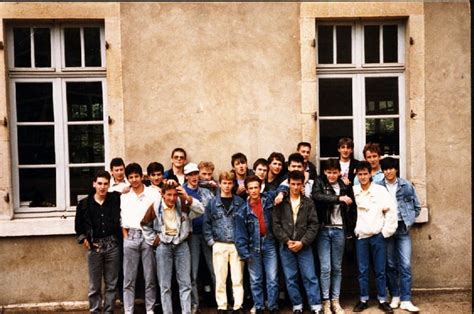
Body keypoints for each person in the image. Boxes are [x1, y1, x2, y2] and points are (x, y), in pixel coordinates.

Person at [141, 181, 204, 314]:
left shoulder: (183, 204)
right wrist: (155, 239)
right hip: (164, 247)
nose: (172, 198)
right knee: (165, 286)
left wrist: (187, 197)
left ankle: (186, 311)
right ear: (162, 194)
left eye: (175, 195)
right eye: (169, 195)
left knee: (185, 284)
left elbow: (201, 210)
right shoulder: (156, 206)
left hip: (181, 245)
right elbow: (145, 224)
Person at [234, 176, 287, 314]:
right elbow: (240, 235)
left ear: (260, 187)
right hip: (253, 247)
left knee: (272, 277)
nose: (254, 191)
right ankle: (259, 307)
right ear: (246, 190)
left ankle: (273, 306)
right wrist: (244, 253)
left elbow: (284, 186)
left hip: (269, 243)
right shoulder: (242, 211)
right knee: (256, 279)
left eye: (256, 187)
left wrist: (281, 194)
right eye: (250, 188)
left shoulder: (268, 199)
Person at [273, 170, 322, 314]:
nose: (295, 187)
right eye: (293, 184)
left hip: (304, 246)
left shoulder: (308, 202)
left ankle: (316, 306)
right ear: (288, 184)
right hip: (286, 246)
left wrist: (303, 242)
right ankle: (297, 305)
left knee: (310, 276)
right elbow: (276, 225)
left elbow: (314, 225)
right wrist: (287, 241)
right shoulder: (281, 202)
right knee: (290, 277)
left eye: (298, 184)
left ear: (302, 185)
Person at [352, 161, 398, 313]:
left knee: (380, 269)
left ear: (370, 174)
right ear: (357, 175)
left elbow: (391, 212)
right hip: (361, 237)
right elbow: (350, 213)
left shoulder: (380, 190)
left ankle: (382, 299)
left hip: (378, 236)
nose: (363, 177)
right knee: (362, 270)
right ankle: (363, 299)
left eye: (365, 173)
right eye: (360, 174)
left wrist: (385, 233)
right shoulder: (354, 190)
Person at [312, 159, 356, 314]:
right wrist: (339, 198)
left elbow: (352, 207)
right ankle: (325, 301)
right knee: (325, 268)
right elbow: (317, 197)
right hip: (323, 230)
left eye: (334, 172)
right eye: (329, 172)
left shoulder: (344, 185)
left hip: (339, 230)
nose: (331, 175)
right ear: (324, 172)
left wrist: (350, 229)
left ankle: (335, 301)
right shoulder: (319, 183)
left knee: (337, 268)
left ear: (339, 172)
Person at [75, 170, 121, 313]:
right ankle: (95, 310)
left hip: (112, 246)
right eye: (99, 183)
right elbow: (78, 227)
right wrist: (84, 239)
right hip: (94, 247)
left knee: (111, 284)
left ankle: (108, 311)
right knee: (94, 285)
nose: (102, 187)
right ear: (94, 184)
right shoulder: (84, 204)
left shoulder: (115, 199)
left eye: (105, 184)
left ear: (109, 185)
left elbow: (131, 187)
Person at [378, 157, 421, 313]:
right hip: (387, 229)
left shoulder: (406, 185)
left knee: (405, 264)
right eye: (386, 169)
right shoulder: (378, 186)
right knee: (390, 264)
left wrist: (408, 219)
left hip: (402, 228)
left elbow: (417, 207)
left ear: (396, 169)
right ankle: (395, 295)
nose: (389, 171)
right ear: (383, 171)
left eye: (391, 168)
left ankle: (406, 299)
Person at [203, 171, 246, 313]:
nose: (227, 186)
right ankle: (222, 305)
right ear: (220, 184)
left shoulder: (239, 202)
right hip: (219, 243)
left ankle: (238, 305)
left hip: (236, 244)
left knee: (237, 278)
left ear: (233, 184)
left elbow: (245, 222)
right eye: (224, 183)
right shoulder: (212, 203)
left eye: (229, 183)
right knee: (220, 278)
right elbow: (206, 223)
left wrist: (243, 242)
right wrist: (212, 242)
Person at [120, 163, 159, 314]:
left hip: (148, 237)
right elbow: (122, 219)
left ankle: (150, 309)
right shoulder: (125, 196)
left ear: (142, 176)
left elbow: (158, 215)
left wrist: (155, 237)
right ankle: (128, 310)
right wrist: (125, 238)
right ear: (127, 179)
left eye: (137, 176)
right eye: (131, 177)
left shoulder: (153, 193)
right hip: (131, 236)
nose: (134, 180)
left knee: (150, 277)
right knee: (129, 278)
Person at [182, 163, 216, 314]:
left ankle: (220, 301)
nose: (194, 177)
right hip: (191, 235)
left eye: (196, 174)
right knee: (193, 272)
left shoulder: (207, 192)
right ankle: (194, 303)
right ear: (186, 176)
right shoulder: (181, 192)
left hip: (207, 233)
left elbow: (215, 210)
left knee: (214, 269)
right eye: (191, 174)